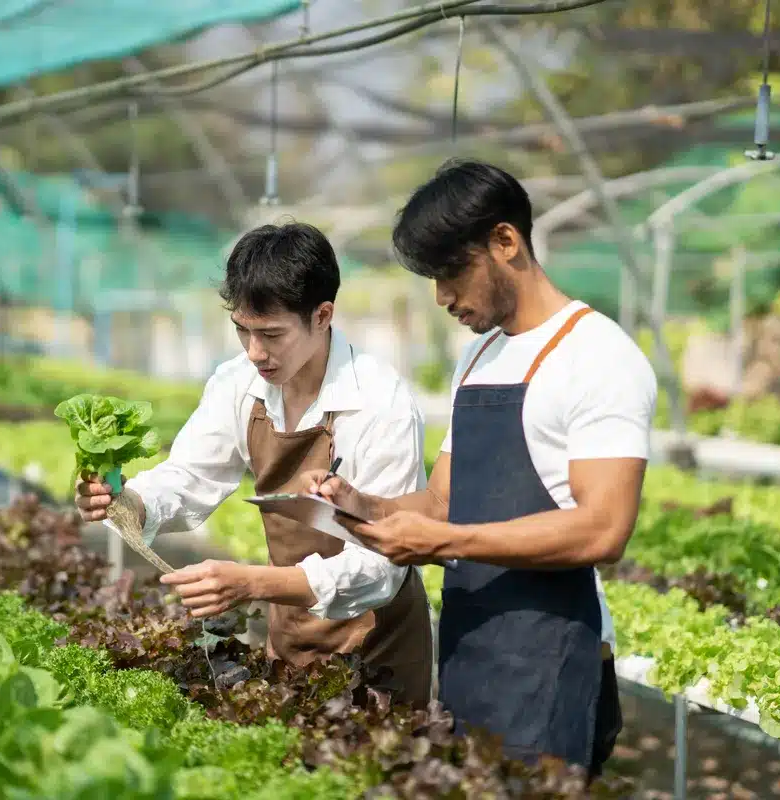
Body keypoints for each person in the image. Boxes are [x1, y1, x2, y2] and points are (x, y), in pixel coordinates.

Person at [305, 160, 657, 775]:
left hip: (551, 659)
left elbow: (604, 529)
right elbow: (443, 502)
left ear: (505, 241)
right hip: (473, 645)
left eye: (451, 273)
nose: (443, 297)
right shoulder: (479, 356)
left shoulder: (598, 357)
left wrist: (445, 541)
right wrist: (358, 503)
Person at [74, 221, 434, 708]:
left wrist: (253, 583)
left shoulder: (379, 401)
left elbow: (381, 567)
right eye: (242, 331)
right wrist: (129, 502)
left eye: (271, 334)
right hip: (289, 635)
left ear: (323, 316)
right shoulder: (238, 385)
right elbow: (190, 476)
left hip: (377, 643)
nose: (254, 352)